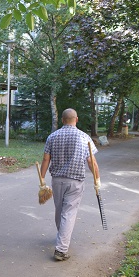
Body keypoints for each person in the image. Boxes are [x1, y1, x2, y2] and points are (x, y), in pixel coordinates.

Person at [40, 108, 100, 261]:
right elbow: (91, 161)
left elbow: (46, 159)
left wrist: (42, 179)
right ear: (76, 119)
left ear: (62, 120)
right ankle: (61, 249)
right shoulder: (84, 137)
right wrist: (97, 180)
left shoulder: (52, 136)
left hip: (57, 180)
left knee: (60, 211)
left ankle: (62, 238)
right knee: (69, 213)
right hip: (75, 181)